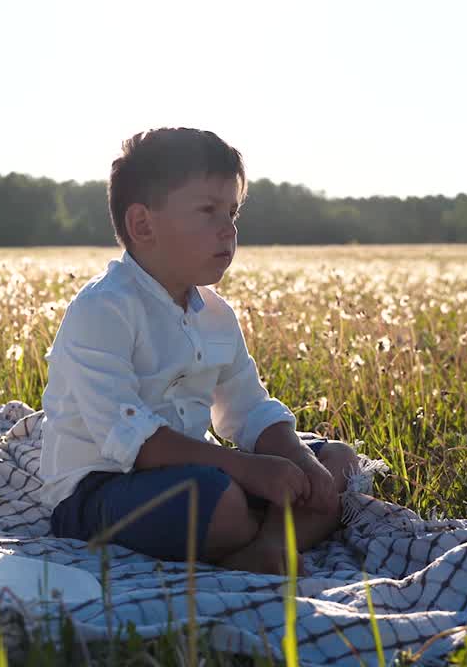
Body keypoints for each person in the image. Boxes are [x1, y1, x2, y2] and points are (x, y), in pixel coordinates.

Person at [39, 127, 359, 574]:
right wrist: (246, 470)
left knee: (337, 463)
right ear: (142, 225)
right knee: (218, 499)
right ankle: (264, 534)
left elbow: (248, 408)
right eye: (208, 211)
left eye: (233, 212)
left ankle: (265, 547)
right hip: (100, 490)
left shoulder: (215, 315)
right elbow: (130, 437)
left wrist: (299, 458)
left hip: (197, 468)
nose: (228, 230)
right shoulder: (103, 308)